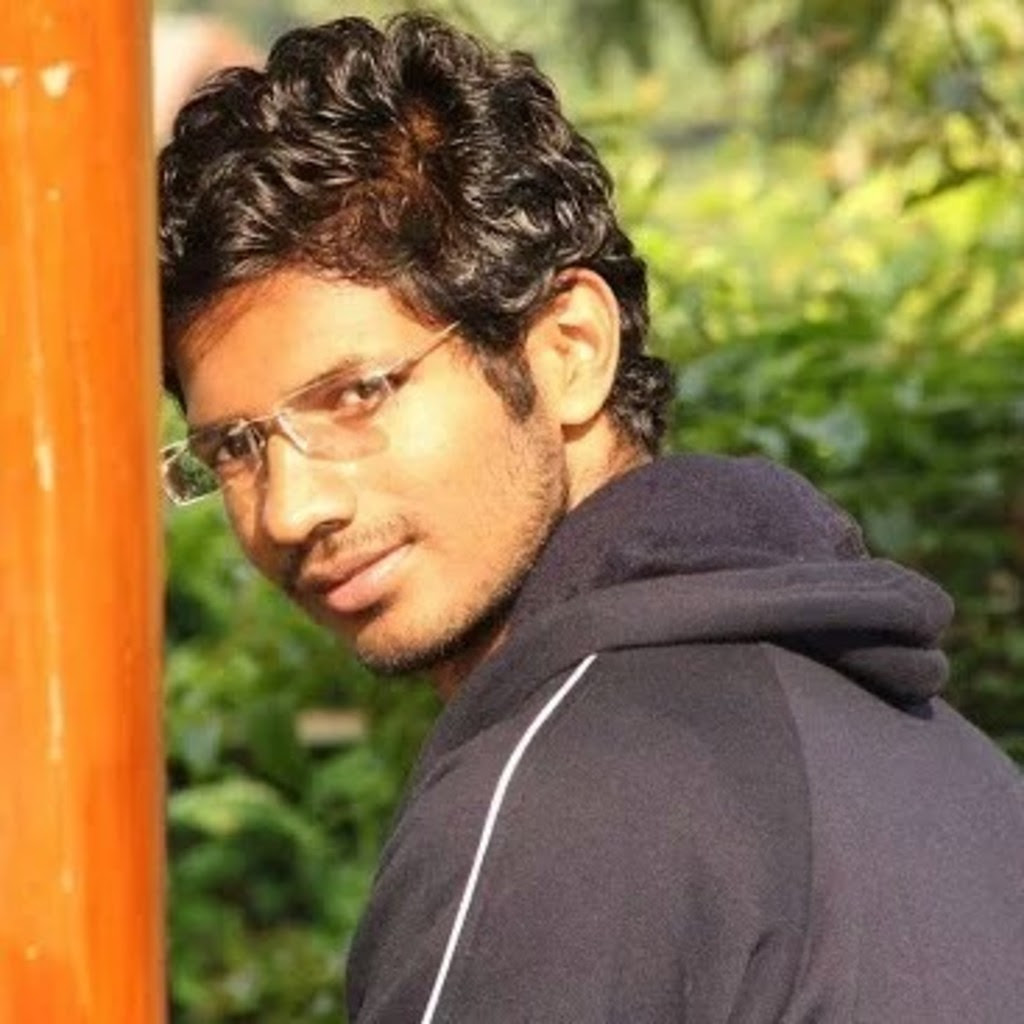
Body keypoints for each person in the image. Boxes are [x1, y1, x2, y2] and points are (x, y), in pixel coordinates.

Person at [157, 13, 1024, 1023]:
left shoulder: (566, 800)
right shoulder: (948, 765)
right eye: (236, 447)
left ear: (568, 348)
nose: (290, 508)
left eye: (357, 394)